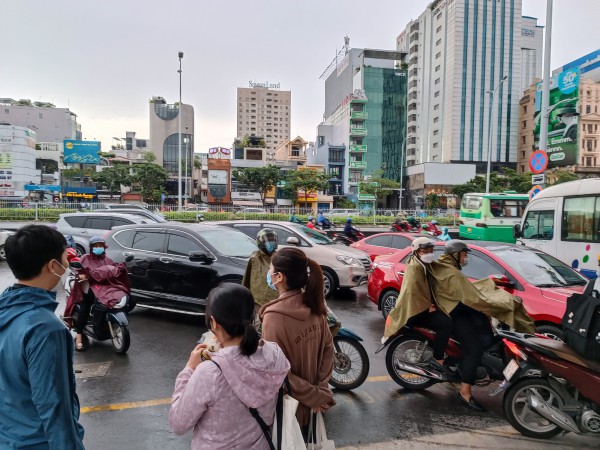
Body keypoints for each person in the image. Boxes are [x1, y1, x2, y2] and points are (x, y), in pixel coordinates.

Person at [169, 284, 290, 449]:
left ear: (214, 323)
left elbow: (178, 423)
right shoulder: (274, 354)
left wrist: (189, 369)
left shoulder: (210, 373)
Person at [0, 225, 85, 449]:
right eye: (66, 259)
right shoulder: (46, 329)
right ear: (53, 266)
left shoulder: (6, 311)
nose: (68, 266)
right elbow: (55, 408)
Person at [259, 247, 335, 439]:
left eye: (270, 270)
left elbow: (277, 372)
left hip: (288, 409)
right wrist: (320, 390)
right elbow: (328, 350)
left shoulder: (274, 317)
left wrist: (315, 395)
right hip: (312, 407)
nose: (269, 273)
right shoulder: (315, 305)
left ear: (279, 277)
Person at [383, 237, 453, 372]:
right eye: (425, 250)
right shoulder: (416, 267)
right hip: (414, 312)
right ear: (416, 251)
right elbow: (413, 292)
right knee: (446, 323)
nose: (429, 253)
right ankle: (438, 358)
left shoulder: (422, 264)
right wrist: (428, 307)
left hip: (419, 308)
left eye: (431, 250)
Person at [70, 236, 126, 351]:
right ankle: (79, 335)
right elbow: (79, 270)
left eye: (100, 246)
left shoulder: (107, 259)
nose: (98, 248)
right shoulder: (85, 258)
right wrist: (81, 275)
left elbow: (114, 269)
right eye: (96, 246)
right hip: (89, 288)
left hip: (105, 288)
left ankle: (104, 324)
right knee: (85, 308)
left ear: (104, 247)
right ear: (91, 248)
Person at [242, 229, 280, 322]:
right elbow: (246, 281)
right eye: (268, 240)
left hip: (275, 304)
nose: (270, 243)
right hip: (258, 304)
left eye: (272, 240)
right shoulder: (255, 258)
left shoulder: (279, 258)